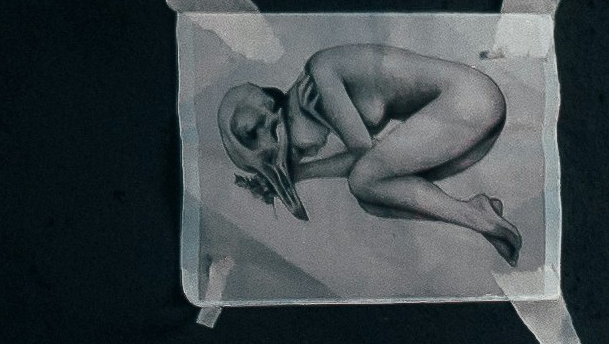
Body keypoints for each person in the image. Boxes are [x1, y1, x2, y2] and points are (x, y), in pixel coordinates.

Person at [215, 44, 522, 262]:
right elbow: (371, 157)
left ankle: (478, 217)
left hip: (473, 102)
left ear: (277, 115)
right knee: (371, 199)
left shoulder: (321, 71)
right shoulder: (315, 98)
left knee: (364, 180)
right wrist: (298, 171)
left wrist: (303, 172)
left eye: (298, 148)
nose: (311, 151)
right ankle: (474, 211)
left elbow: (363, 153)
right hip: (470, 123)